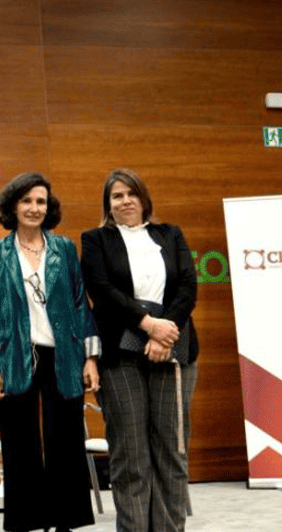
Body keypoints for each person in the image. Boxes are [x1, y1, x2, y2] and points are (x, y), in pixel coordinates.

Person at [0, 172, 100, 532]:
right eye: (27, 200)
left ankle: (65, 522)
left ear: (49, 207)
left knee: (66, 441)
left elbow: (81, 305)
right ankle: (26, 523)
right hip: (15, 357)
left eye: (41, 201)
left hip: (64, 356)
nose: (34, 208)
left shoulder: (64, 249)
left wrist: (91, 358)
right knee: (19, 443)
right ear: (13, 206)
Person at [80, 169, 198, 532]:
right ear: (108, 205)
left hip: (174, 348)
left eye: (131, 193)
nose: (125, 200)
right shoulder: (96, 239)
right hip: (120, 354)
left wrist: (164, 335)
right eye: (116, 196)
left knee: (171, 451)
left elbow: (188, 287)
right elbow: (100, 290)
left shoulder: (170, 234)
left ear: (145, 199)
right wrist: (148, 325)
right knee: (130, 453)